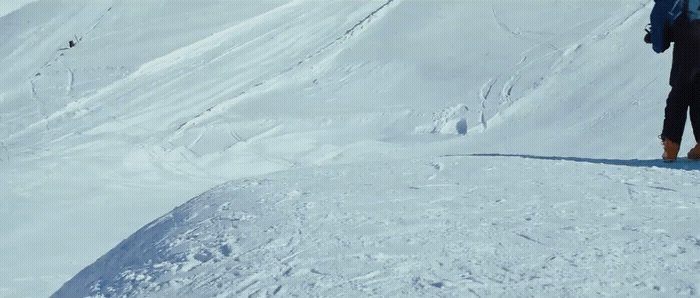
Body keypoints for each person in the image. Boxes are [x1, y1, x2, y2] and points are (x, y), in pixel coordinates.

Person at [649, 0, 700, 161]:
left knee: (679, 94)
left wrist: (657, 39)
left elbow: (659, 43)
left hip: (687, 46)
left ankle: (671, 145)